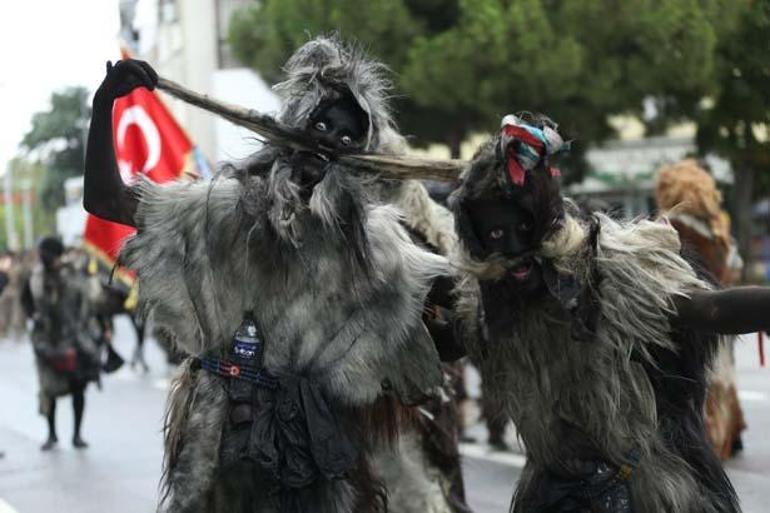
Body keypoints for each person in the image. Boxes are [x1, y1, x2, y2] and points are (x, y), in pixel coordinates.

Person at [84, 37, 450, 513]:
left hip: (318, 454)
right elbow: (106, 200)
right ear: (297, 124)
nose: (329, 141)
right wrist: (103, 105)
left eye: (346, 136)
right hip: (221, 447)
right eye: (322, 123)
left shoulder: (375, 246)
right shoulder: (222, 211)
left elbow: (450, 301)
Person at [449, 113, 770, 513]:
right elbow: (436, 337)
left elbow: (707, 309)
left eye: (524, 228)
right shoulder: (481, 305)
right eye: (496, 234)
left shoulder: (610, 271)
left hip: (642, 489)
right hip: (552, 493)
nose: (514, 247)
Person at [655, 159, 747, 460]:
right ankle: (730, 436)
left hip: (693, 309)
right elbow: (734, 265)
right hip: (726, 304)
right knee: (723, 374)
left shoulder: (674, 224)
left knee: (700, 376)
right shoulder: (718, 225)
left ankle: (707, 438)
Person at [21, 237, 100, 451]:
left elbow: (88, 304)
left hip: (74, 340)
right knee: (48, 389)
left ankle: (77, 434)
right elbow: (25, 300)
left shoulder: (72, 275)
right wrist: (34, 316)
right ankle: (52, 434)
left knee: (78, 388)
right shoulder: (34, 278)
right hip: (46, 341)